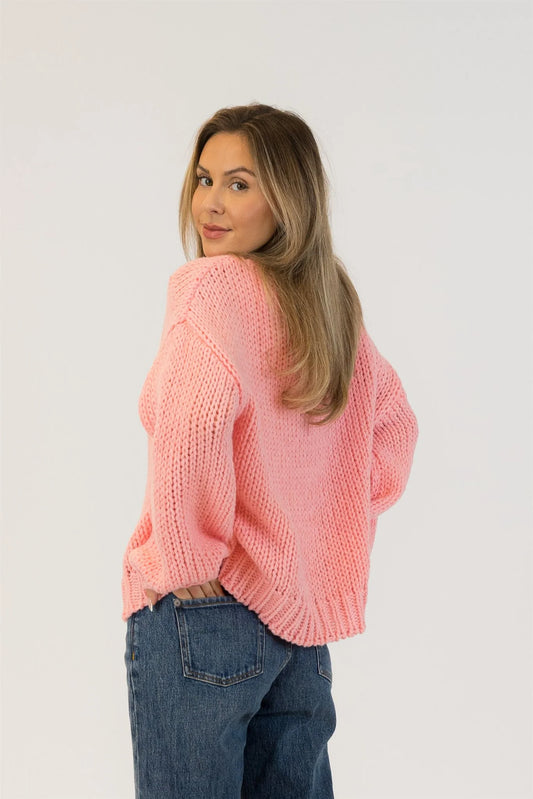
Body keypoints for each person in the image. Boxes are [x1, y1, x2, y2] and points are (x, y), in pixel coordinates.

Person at [122, 102, 419, 798]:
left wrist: (188, 557)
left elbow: (193, 423)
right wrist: (320, 528)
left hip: (204, 611)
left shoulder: (211, 287)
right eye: (204, 179)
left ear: (288, 198)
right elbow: (394, 429)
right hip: (300, 623)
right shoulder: (327, 301)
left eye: (239, 184)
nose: (210, 203)